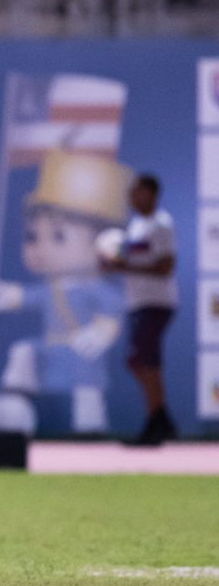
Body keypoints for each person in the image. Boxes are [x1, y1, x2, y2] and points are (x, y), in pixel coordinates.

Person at [103, 174, 178, 444]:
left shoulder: (161, 224)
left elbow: (166, 266)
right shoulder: (135, 225)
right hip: (138, 304)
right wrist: (111, 261)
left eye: (138, 192)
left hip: (156, 303)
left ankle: (156, 422)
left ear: (152, 194)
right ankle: (161, 419)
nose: (132, 197)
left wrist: (123, 267)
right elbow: (125, 257)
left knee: (143, 362)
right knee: (144, 363)